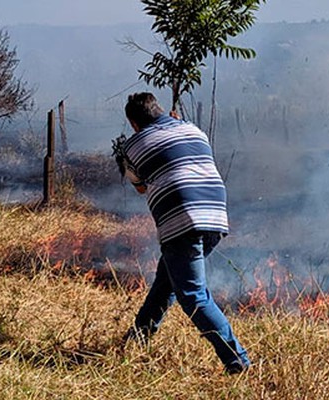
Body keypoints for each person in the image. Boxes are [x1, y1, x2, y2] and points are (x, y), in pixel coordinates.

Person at [116, 92, 250, 375]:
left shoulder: (134, 144)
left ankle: (237, 360)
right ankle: (136, 341)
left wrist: (127, 159)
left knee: (192, 295)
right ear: (159, 110)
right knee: (167, 282)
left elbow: (140, 187)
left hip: (183, 218)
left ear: (134, 123)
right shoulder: (192, 129)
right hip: (215, 214)